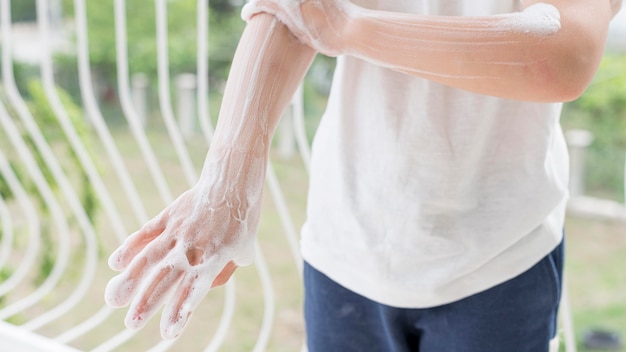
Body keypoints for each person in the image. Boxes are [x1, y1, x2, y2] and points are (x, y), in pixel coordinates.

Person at [105, 0, 622, 350]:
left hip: (498, 260)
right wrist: (228, 182)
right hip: (346, 249)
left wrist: (352, 27)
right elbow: (291, 14)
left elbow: (563, 56)